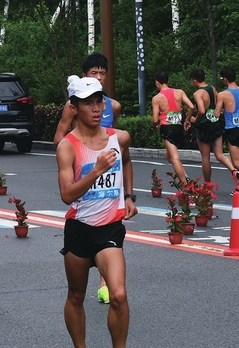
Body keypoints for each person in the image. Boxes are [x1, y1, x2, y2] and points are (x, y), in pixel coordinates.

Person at [56, 76, 136, 348]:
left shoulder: (119, 137)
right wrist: (98, 170)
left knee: (119, 294)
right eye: (87, 103)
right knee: (76, 296)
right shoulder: (68, 146)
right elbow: (67, 194)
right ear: (73, 108)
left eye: (99, 101)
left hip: (109, 229)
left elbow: (126, 161)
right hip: (79, 229)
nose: (96, 108)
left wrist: (128, 195)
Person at [189, 68, 236, 183]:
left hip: (204, 125)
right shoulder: (213, 88)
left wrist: (195, 120)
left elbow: (201, 110)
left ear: (195, 81)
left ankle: (207, 184)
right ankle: (234, 170)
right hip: (216, 123)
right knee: (219, 154)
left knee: (205, 157)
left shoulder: (198, 93)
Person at [151, 70, 194, 187]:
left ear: (157, 83)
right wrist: (187, 120)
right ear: (168, 81)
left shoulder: (157, 98)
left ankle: (186, 185)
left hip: (167, 129)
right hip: (178, 128)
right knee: (169, 156)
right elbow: (191, 106)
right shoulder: (179, 92)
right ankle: (184, 175)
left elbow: (155, 119)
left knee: (174, 158)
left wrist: (154, 126)